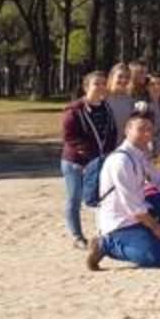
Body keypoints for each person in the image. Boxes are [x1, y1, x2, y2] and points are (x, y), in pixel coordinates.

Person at [87, 114, 160, 270]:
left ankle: (155, 242)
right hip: (120, 222)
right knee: (157, 259)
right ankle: (105, 244)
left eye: (150, 130)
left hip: (138, 215)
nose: (147, 134)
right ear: (127, 130)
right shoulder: (121, 161)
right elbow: (132, 205)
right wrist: (156, 227)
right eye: (141, 129)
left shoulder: (139, 156)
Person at [61, 71, 118, 248]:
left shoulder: (106, 107)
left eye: (103, 83)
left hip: (99, 160)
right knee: (74, 198)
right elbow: (69, 137)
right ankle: (77, 237)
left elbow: (112, 131)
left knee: (100, 197)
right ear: (86, 87)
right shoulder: (74, 109)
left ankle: (104, 232)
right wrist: (88, 158)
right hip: (76, 162)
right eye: (96, 84)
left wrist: (107, 153)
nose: (100, 87)